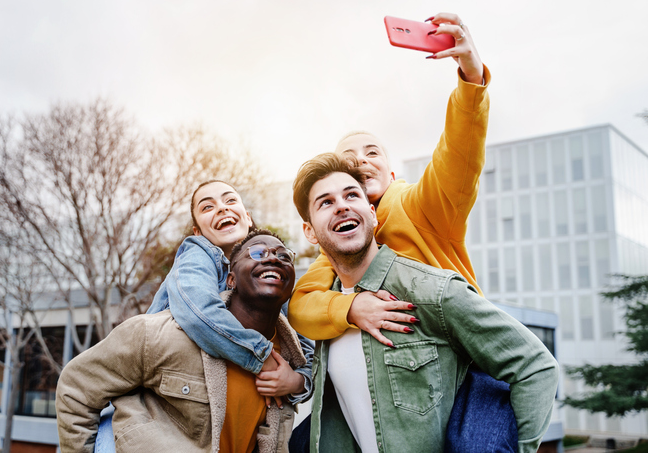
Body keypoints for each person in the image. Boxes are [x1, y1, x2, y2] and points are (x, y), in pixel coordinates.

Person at [291, 153, 559, 453]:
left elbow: (536, 366)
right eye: (325, 202)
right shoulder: (326, 318)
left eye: (351, 195)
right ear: (310, 232)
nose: (341, 205)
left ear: (372, 212)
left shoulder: (432, 291)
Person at [289, 12, 490, 348]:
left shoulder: (422, 205)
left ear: (392, 173)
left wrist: (471, 80)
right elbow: (301, 306)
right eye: (349, 157)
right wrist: (351, 307)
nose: (361, 160)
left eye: (372, 153)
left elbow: (458, 156)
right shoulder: (339, 247)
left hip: (464, 367)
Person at [94, 180, 313, 451]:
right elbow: (199, 312)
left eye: (230, 201)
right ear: (198, 231)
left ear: (248, 217)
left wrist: (296, 381)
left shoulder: (268, 280)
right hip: (145, 410)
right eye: (208, 206)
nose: (221, 208)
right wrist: (260, 356)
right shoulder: (198, 253)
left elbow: (305, 354)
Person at [56, 230, 307, 452]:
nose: (273, 258)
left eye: (284, 256)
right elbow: (75, 388)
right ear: (231, 279)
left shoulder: (290, 361)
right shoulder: (160, 334)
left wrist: (297, 383)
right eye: (258, 252)